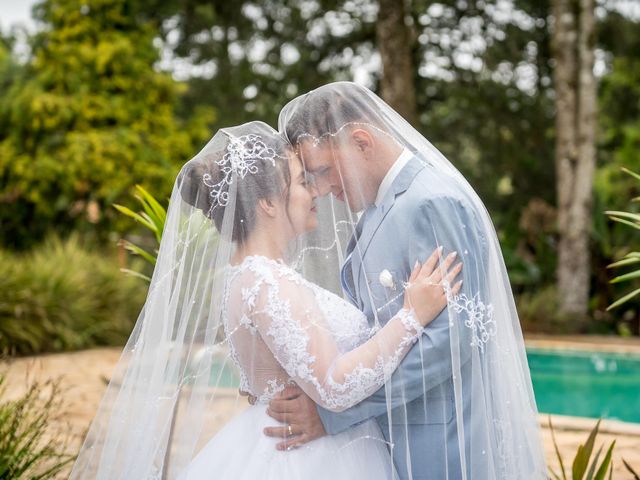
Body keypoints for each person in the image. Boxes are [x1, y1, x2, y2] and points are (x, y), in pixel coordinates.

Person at [69, 121, 461, 479]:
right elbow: (335, 386)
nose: (316, 192)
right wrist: (411, 317)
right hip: (310, 458)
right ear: (269, 203)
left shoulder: (253, 275)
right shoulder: (266, 282)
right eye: (301, 182)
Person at [260, 82, 547, 480]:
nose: (322, 189)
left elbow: (450, 341)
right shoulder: (379, 208)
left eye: (324, 171)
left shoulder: (433, 202)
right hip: (389, 442)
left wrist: (333, 414)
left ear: (361, 142)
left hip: (441, 447)